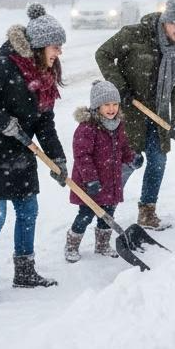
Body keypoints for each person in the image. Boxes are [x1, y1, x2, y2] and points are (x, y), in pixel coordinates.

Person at [0, 4, 68, 305]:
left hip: (21, 154)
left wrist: (58, 158)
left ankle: (25, 272)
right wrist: (3, 122)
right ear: (37, 46)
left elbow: (45, 123)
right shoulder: (4, 68)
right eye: (55, 46)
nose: (58, 53)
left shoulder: (45, 75)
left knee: (28, 211)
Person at [96, 0, 175, 231]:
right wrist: (120, 87)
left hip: (159, 114)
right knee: (128, 163)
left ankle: (147, 213)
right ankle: (104, 216)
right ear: (165, 21)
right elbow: (103, 54)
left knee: (158, 162)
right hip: (130, 112)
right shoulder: (135, 34)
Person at [64, 80, 140, 263]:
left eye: (115, 104)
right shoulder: (87, 128)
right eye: (107, 104)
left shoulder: (118, 124)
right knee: (85, 215)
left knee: (108, 214)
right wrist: (91, 180)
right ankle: (71, 245)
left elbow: (122, 147)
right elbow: (82, 156)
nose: (111, 108)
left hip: (111, 181)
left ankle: (102, 245)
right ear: (97, 106)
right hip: (91, 184)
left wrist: (131, 157)